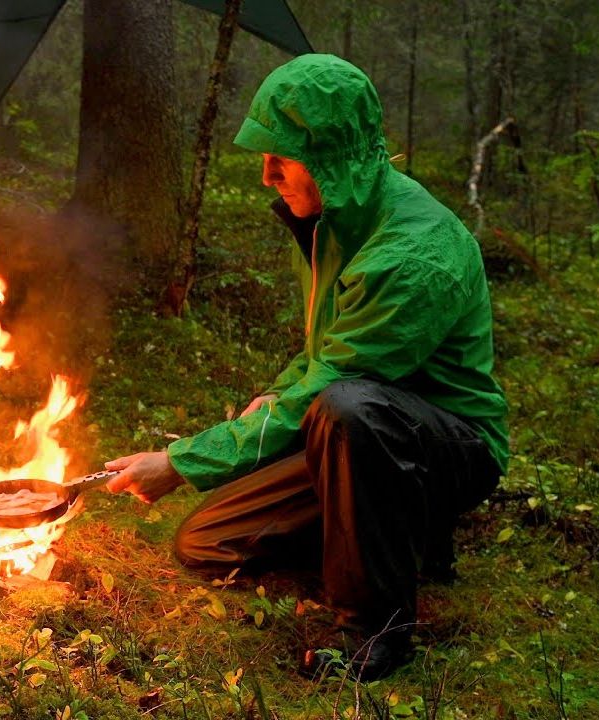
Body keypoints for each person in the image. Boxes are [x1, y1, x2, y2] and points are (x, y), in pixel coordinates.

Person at [104, 54, 508, 681]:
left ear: (333, 155)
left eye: (282, 159)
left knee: (349, 409)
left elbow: (339, 382)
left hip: (447, 447)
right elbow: (329, 352)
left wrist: (183, 461)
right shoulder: (338, 218)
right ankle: (390, 537)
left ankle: (377, 631)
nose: (267, 176)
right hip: (358, 434)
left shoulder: (412, 253)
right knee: (206, 544)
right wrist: (276, 394)